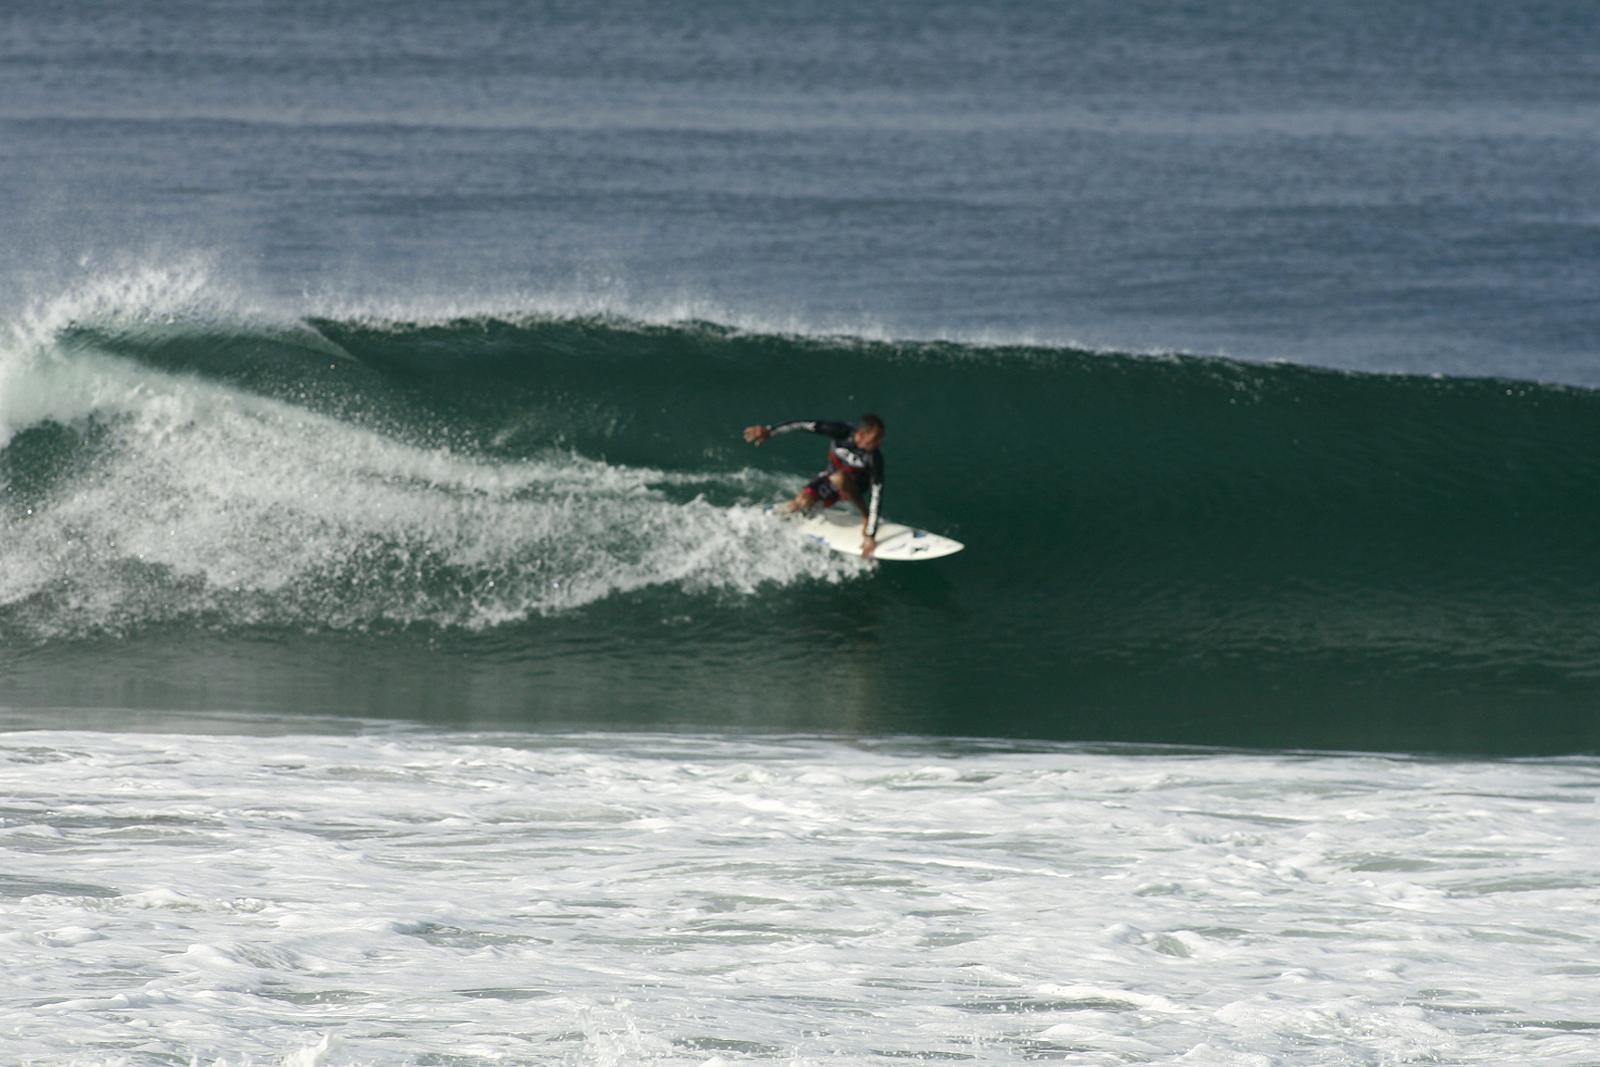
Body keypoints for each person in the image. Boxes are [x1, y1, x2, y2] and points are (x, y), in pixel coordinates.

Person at [744, 415, 885, 558]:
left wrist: (870, 535)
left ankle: (865, 515)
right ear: (860, 434)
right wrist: (771, 431)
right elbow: (804, 424)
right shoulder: (841, 431)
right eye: (876, 437)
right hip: (830, 479)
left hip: (855, 488)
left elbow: (876, 495)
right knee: (799, 503)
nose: (879, 442)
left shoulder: (874, 458)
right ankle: (768, 529)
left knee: (839, 479)